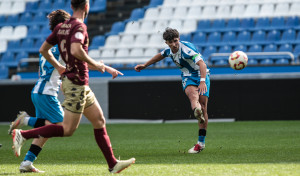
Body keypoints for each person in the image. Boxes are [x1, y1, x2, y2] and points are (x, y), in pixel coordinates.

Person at [11, 0, 135, 174]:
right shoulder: (79, 27)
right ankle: (23, 134)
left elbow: (43, 49)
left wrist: (61, 67)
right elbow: (77, 51)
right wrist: (99, 66)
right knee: (66, 129)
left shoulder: (61, 28)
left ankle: (113, 164)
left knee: (99, 121)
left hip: (78, 84)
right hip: (76, 83)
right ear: (86, 6)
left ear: (71, 6)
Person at [8, 9, 71, 173]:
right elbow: (75, 64)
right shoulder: (62, 47)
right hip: (46, 93)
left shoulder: (47, 46)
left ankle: (27, 163)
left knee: (46, 131)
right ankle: (24, 126)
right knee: (62, 125)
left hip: (39, 90)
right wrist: (101, 66)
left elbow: (43, 71)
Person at [134, 27, 210, 154]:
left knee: (204, 107)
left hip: (202, 75)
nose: (174, 44)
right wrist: (145, 65)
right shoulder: (169, 50)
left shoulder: (187, 49)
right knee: (193, 96)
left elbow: (202, 64)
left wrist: (202, 81)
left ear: (178, 39)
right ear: (167, 43)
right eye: (170, 42)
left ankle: (201, 142)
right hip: (187, 76)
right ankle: (197, 111)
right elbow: (159, 56)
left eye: (175, 41)